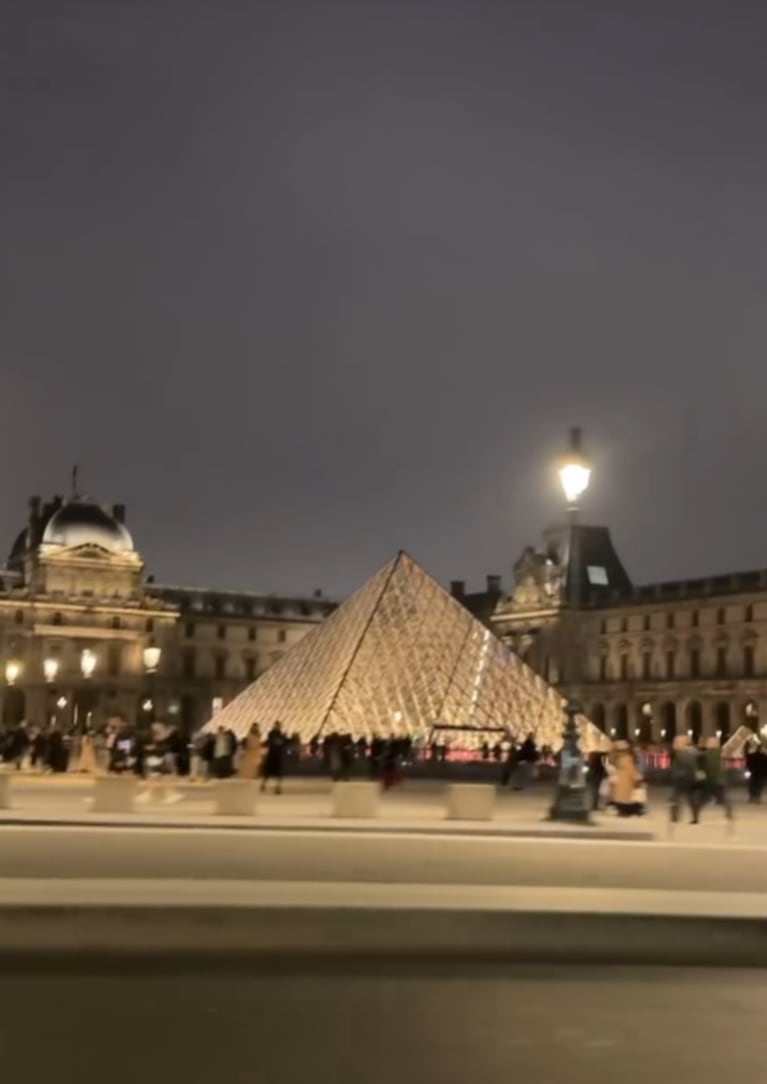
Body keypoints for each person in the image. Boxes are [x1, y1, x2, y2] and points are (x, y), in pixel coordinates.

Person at [669, 734, 702, 824]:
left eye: (676, 742)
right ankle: (694, 818)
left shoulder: (684, 753)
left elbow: (689, 766)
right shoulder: (692, 752)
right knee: (690, 799)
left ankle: (675, 817)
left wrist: (678, 775)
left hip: (685, 778)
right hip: (689, 778)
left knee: (677, 798)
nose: (674, 744)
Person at [701, 736, 732, 820]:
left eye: (708, 743)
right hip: (720, 779)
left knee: (702, 798)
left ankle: (695, 814)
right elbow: (725, 766)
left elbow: (708, 767)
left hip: (712, 779)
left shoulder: (707, 754)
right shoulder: (722, 753)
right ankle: (729, 813)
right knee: (723, 797)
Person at [610, 740, 644, 817]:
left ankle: (622, 811)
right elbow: (631, 770)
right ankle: (626, 812)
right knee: (626, 797)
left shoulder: (617, 758)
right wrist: (636, 777)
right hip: (627, 779)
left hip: (620, 779)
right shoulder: (627, 758)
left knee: (620, 796)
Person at [262, 721, 286, 794]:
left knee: (276, 773)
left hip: (275, 755)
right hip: (273, 755)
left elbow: (269, 742)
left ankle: (277, 787)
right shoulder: (273, 734)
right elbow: (269, 742)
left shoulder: (279, 735)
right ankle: (264, 785)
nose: (278, 727)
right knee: (269, 772)